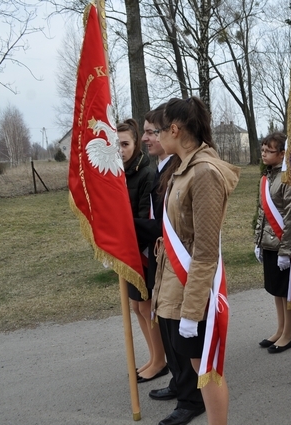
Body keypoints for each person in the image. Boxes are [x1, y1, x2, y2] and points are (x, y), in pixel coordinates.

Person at [153, 96, 240, 425]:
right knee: (196, 365)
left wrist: (191, 312)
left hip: (194, 289)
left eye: (160, 129)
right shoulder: (183, 169)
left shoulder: (203, 173)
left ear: (174, 129)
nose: (157, 137)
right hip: (179, 284)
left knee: (206, 367)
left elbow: (204, 249)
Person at [133, 106, 206, 425]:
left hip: (183, 261)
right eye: (146, 132)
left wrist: (128, 226)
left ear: (172, 131)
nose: (147, 138)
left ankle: (192, 398)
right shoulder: (165, 167)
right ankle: (179, 382)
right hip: (165, 259)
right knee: (165, 324)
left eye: (152, 131)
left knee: (181, 333)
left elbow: (173, 226)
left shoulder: (186, 169)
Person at [116, 119, 166, 383]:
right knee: (136, 307)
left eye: (125, 144)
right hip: (126, 249)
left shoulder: (146, 173)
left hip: (142, 251)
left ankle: (160, 360)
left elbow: (145, 217)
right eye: (116, 145)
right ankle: (152, 355)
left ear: (135, 145)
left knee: (146, 307)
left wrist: (123, 239)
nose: (120, 150)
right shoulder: (118, 173)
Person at [254, 132, 291, 354]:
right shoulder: (267, 177)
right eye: (262, 149)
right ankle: (280, 329)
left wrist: (286, 250)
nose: (264, 153)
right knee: (276, 291)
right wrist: (258, 241)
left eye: (269, 150)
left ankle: (288, 334)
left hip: (283, 245)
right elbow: (262, 213)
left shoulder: (287, 179)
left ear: (282, 154)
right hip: (269, 244)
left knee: (286, 291)